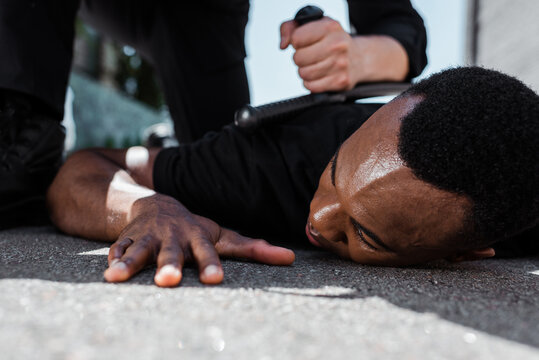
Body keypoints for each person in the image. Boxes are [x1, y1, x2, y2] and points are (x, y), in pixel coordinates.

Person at [46, 67, 539, 287]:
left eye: (365, 234)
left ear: (464, 255)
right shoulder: (271, 158)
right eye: (335, 170)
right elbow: (84, 167)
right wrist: (150, 206)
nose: (320, 221)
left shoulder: (509, 208)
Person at [0, 0, 427, 229]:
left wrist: (358, 55)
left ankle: (167, 144)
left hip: (203, 16)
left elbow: (400, 29)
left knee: (226, 182)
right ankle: (21, 132)